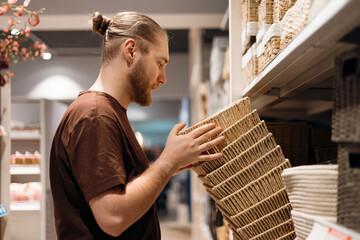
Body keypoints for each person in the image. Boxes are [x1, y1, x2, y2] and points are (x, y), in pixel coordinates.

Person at [49, 11, 225, 240]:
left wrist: (171, 166)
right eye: (159, 63)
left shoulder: (106, 112)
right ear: (131, 51)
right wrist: (167, 163)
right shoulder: (94, 116)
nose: (163, 78)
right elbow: (113, 217)